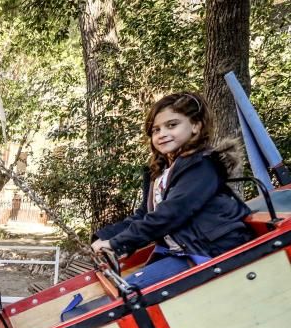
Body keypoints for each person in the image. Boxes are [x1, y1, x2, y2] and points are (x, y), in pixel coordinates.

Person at [91, 91, 252, 288]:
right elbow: (146, 214)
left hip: (210, 251)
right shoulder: (160, 172)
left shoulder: (201, 166)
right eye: (155, 130)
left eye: (172, 125)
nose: (162, 134)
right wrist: (106, 237)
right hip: (180, 252)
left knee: (129, 293)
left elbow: (171, 213)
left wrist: (117, 244)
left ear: (195, 125)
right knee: (118, 287)